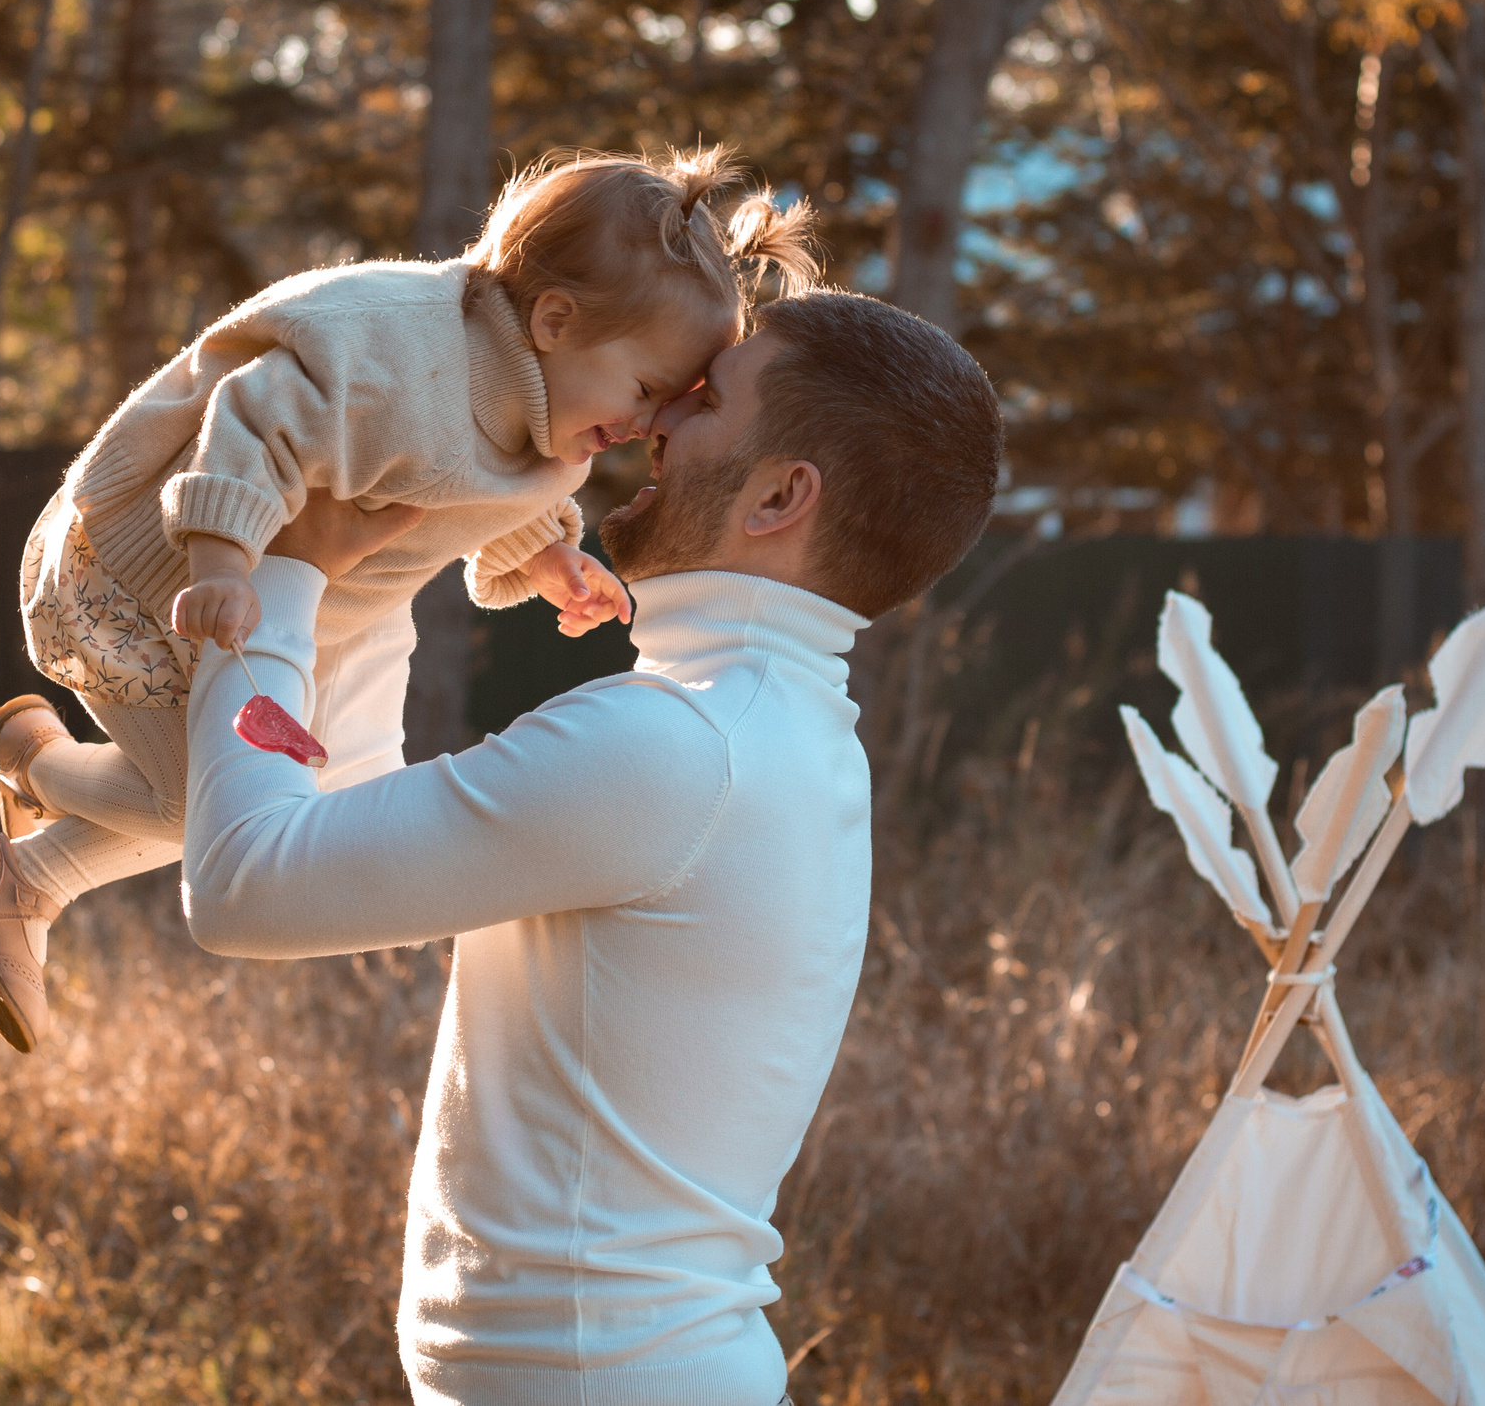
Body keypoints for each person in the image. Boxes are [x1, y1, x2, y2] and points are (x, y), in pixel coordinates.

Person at [179, 287, 1003, 1406]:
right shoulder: (770, 728)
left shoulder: (673, 745)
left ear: (778, 494)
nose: (658, 415)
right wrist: (358, 583)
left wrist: (269, 584)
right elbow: (340, 830)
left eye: (708, 400)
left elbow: (245, 889)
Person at [0, 146, 817, 1054]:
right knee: (210, 804)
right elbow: (254, 420)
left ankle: (21, 881)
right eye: (644, 390)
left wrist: (551, 561)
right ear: (554, 319)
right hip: (154, 577)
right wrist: (226, 560)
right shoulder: (399, 351)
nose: (645, 424)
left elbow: (485, 489)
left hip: (309, 606)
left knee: (317, 811)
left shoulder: (556, 415)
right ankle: (35, 764)